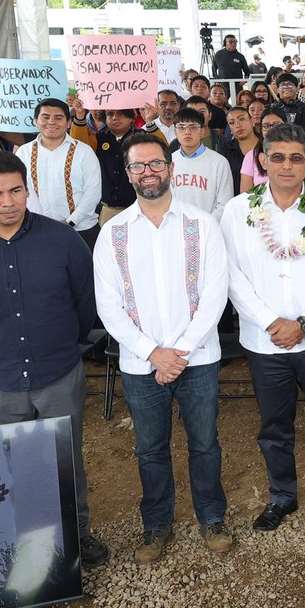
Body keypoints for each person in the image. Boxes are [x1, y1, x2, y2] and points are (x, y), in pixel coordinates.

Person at [0, 151, 109, 567]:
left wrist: (63, 343)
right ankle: (16, 545)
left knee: (65, 462)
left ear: (27, 189)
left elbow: (86, 304)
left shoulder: (63, 240)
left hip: (58, 374)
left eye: (16, 190)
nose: (8, 201)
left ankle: (76, 535)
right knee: (4, 467)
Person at [94, 132, 232, 563]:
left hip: (197, 358)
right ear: (128, 172)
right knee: (150, 448)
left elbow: (215, 294)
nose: (148, 172)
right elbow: (108, 306)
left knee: (205, 443)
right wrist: (154, 353)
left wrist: (181, 350)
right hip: (141, 364)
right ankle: (156, 526)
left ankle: (212, 517)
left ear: (170, 168)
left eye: (156, 163)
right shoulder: (113, 233)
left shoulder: (201, 224)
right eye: (138, 165)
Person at [220, 123, 305, 532]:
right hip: (265, 342)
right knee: (274, 426)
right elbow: (231, 276)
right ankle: (282, 496)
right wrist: (270, 322)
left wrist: (303, 322)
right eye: (277, 157)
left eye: (296, 157)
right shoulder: (238, 210)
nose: (286, 165)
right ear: (262, 160)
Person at [14, 97, 102, 249]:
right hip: (36, 231)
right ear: (35, 121)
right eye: (45, 117)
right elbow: (18, 189)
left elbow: (93, 193)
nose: (51, 122)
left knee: (86, 272)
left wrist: (70, 222)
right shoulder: (23, 152)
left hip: (81, 231)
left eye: (58, 117)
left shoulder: (83, 151)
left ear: (68, 123)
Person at [170, 108, 234, 220]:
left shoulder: (219, 162)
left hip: (209, 228)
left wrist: (206, 225)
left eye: (193, 127)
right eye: (181, 127)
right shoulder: (168, 162)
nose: (187, 132)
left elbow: (225, 204)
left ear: (202, 131)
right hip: (175, 228)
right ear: (175, 132)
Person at [221, 106, 260, 195]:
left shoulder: (266, 146)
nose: (237, 125)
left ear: (252, 121)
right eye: (232, 123)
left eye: (241, 119)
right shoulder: (225, 151)